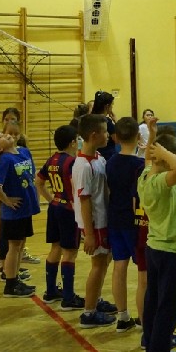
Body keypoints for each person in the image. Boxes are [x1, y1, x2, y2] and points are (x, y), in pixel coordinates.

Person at [139, 120, 176, 352]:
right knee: (167, 309)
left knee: (153, 302)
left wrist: (153, 137)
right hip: (169, 251)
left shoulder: (145, 176)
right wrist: (164, 152)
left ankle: (153, 346)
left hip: (154, 249)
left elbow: (149, 160)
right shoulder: (160, 183)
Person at [73, 113, 119, 328]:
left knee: (104, 261)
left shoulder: (98, 158)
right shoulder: (83, 165)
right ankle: (89, 313)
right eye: (105, 132)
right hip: (95, 224)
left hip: (103, 221)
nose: (108, 135)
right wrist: (90, 234)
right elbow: (84, 201)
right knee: (98, 265)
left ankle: (96, 300)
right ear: (94, 135)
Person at [34, 123, 86, 309]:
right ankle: (68, 298)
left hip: (55, 207)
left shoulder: (52, 159)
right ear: (72, 142)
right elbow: (75, 187)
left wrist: (52, 199)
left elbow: (38, 181)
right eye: (78, 139)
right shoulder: (72, 162)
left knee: (55, 247)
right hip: (68, 210)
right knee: (70, 252)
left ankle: (51, 291)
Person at [0, 129, 41, 298]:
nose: (5, 135)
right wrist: (6, 200)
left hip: (25, 208)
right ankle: (10, 285)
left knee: (21, 244)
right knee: (14, 246)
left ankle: (15, 279)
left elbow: (31, 176)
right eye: (0, 137)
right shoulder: (5, 160)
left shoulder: (24, 152)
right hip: (13, 212)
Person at [106, 117, 148, 333]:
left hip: (115, 219)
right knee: (143, 273)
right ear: (138, 136)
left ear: (115, 138)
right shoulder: (139, 166)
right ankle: (144, 320)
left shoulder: (110, 162)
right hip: (135, 223)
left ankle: (122, 316)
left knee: (119, 266)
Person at [92, 90, 118, 161]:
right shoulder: (106, 121)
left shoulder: (91, 118)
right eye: (112, 105)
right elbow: (117, 140)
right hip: (107, 156)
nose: (112, 107)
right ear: (107, 106)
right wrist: (116, 121)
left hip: (94, 154)